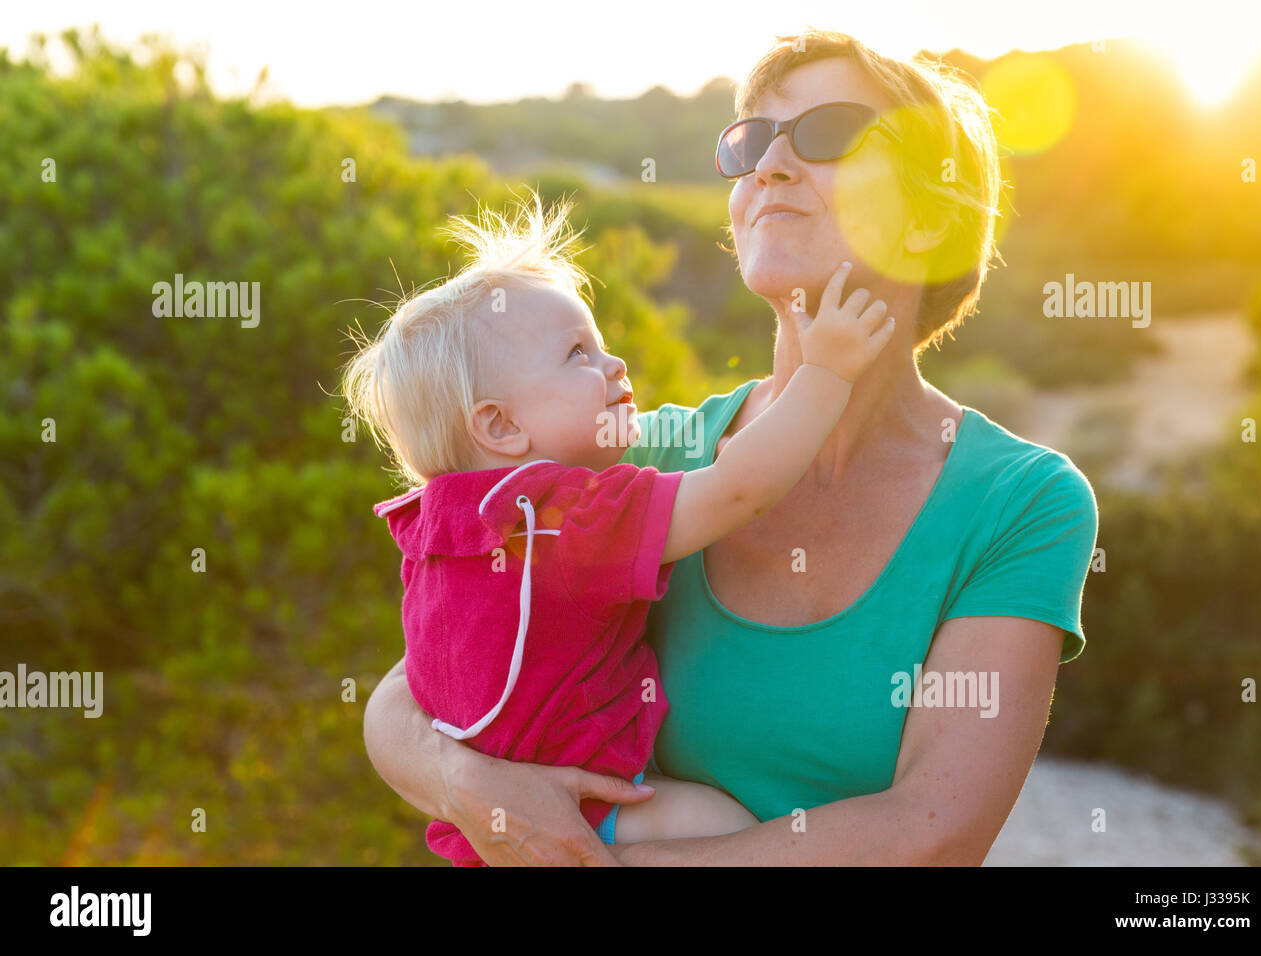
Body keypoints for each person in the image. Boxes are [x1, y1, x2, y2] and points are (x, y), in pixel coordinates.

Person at [362, 29, 1100, 865]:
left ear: (930, 220)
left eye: (826, 134)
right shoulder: (642, 455)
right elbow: (416, 682)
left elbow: (931, 834)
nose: (769, 168)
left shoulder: (1023, 503)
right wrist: (473, 790)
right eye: (751, 143)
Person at [343, 190, 895, 864]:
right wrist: (826, 374)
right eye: (578, 354)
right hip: (589, 811)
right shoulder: (569, 517)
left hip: (480, 830)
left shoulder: (442, 525)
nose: (616, 365)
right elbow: (737, 489)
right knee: (727, 824)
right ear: (500, 426)